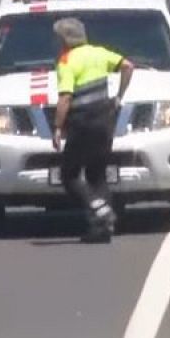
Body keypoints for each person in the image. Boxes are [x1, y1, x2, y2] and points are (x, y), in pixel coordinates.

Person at [50, 17, 134, 243]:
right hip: (105, 120)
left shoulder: (66, 61)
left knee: (69, 175)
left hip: (82, 122)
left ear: (64, 40)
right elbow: (128, 66)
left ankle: (99, 209)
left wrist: (57, 128)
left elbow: (65, 98)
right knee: (96, 174)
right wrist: (118, 97)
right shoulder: (98, 52)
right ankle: (101, 229)